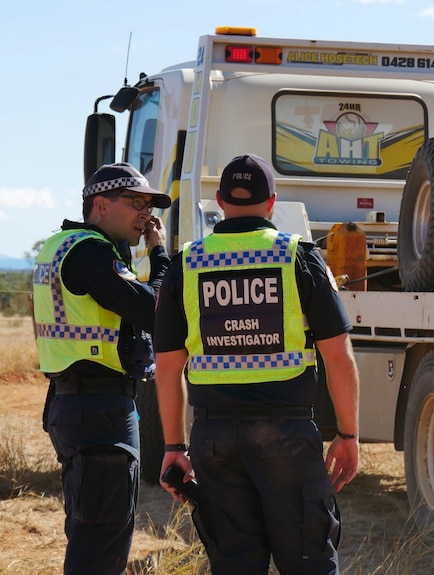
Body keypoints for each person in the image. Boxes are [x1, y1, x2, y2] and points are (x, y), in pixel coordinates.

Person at [153, 153, 360, 575]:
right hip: (287, 433)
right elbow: (339, 356)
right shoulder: (297, 256)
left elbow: (168, 367)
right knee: (309, 563)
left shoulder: (186, 263)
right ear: (272, 203)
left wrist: (174, 446)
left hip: (214, 439)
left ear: (219, 201)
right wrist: (348, 434)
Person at [32, 162, 171, 574]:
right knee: (103, 540)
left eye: (149, 205)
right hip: (100, 411)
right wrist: (159, 256)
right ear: (101, 204)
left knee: (89, 528)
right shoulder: (91, 253)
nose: (146, 213)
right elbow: (154, 311)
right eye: (136, 202)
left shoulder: (61, 244)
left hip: (72, 404)